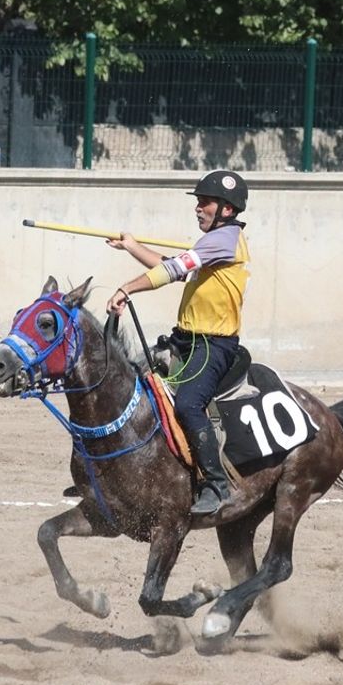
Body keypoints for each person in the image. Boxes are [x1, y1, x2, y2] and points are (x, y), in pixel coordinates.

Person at [106, 170, 251, 516]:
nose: (198, 208)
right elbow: (176, 266)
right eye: (198, 202)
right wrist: (131, 247)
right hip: (183, 339)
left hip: (212, 346)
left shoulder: (225, 240)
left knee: (187, 406)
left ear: (227, 210)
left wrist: (127, 288)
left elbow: (170, 272)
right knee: (130, 385)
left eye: (205, 202)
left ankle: (216, 487)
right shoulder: (213, 243)